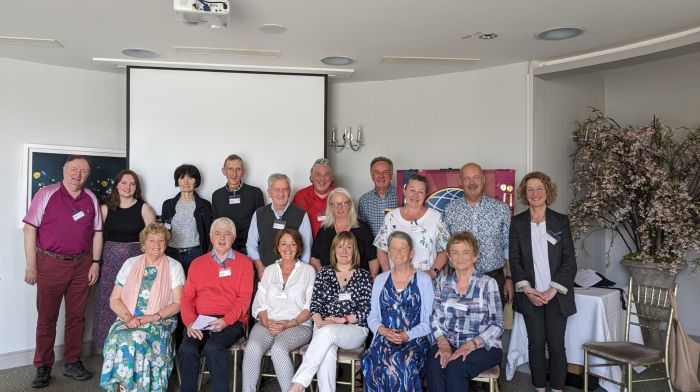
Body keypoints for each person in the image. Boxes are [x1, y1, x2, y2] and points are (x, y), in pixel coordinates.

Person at [23, 155, 102, 388]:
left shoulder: (90, 198)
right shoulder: (46, 194)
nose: (79, 175)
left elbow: (98, 232)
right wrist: (31, 265)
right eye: (74, 169)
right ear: (65, 170)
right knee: (47, 318)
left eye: (84, 171)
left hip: (82, 264)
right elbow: (29, 230)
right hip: (50, 263)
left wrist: (95, 262)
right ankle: (43, 365)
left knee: (77, 317)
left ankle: (72, 361)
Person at [509, 171, 577, 392]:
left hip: (555, 295)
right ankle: (539, 389)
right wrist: (528, 290)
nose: (535, 193)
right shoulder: (517, 223)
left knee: (556, 346)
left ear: (547, 191)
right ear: (524, 194)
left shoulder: (560, 221)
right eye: (530, 189)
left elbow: (569, 260)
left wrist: (552, 291)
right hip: (530, 294)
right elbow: (515, 259)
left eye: (539, 188)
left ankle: (557, 390)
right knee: (535, 344)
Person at [99, 223, 185, 392]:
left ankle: (138, 388)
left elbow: (178, 303)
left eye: (161, 240)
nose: (156, 245)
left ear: (166, 244)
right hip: (128, 318)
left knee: (137, 338)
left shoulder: (174, 267)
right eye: (152, 240)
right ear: (142, 245)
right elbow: (114, 299)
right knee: (116, 337)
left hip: (161, 320)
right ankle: (125, 387)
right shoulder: (130, 264)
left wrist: (152, 317)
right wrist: (128, 318)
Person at [289, 231, 372, 392]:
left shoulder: (363, 276)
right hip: (324, 326)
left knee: (327, 333)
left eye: (349, 247)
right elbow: (316, 304)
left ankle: (298, 384)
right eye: (340, 247)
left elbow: (366, 311)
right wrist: (319, 321)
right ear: (334, 250)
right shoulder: (324, 273)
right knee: (327, 353)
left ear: (354, 251)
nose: (344, 251)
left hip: (354, 330)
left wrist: (341, 320)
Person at [178, 217, 254, 392]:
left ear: (233, 238)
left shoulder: (244, 263)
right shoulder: (197, 264)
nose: (222, 238)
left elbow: (244, 300)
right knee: (187, 350)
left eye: (227, 234)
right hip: (199, 319)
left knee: (213, 347)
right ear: (211, 237)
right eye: (218, 234)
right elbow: (187, 298)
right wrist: (190, 322)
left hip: (232, 321)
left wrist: (226, 321)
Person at [426, 232, 503, 392]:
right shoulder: (443, 282)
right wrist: (442, 342)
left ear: (476, 256)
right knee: (435, 364)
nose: (460, 257)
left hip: (483, 346)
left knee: (455, 368)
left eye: (466, 252)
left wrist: (472, 344)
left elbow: (497, 325)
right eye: (455, 252)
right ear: (449, 256)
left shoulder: (488, 283)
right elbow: (435, 317)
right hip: (449, 341)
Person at [242, 229, 316, 392]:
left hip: (298, 324)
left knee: (278, 349)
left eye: (292, 244)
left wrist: (290, 323)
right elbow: (259, 304)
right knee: (252, 347)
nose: (288, 248)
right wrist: (267, 321)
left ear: (299, 247)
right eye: (284, 243)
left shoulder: (308, 271)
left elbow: (310, 306)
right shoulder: (269, 271)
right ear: (277, 246)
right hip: (267, 323)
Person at [361, 231, 434, 391]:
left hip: (415, 340)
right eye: (394, 249)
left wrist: (406, 335)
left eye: (403, 248)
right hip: (385, 338)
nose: (398, 253)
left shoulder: (423, 279)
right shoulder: (380, 279)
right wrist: (383, 331)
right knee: (372, 359)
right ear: (389, 253)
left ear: (411, 253)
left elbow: (430, 321)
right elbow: (372, 316)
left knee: (401, 362)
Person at [93, 169, 156, 352]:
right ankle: (107, 348)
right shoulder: (105, 209)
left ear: (136, 187)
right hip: (110, 262)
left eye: (132, 183)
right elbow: (97, 237)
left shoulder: (145, 208)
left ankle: (130, 348)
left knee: (133, 302)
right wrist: (95, 262)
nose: (127, 187)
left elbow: (152, 240)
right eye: (123, 183)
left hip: (136, 263)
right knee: (108, 302)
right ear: (116, 185)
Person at [443, 162, 514, 304]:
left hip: (495, 279)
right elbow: (446, 246)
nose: (472, 183)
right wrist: (445, 279)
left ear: (483, 179)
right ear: (460, 181)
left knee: (493, 322)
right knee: (459, 323)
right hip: (459, 280)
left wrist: (509, 279)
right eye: (467, 179)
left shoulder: (501, 209)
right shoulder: (450, 210)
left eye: (476, 178)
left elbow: (508, 247)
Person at [374, 174, 449, 276]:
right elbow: (381, 249)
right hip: (397, 281)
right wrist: (388, 274)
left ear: (426, 194)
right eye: (412, 190)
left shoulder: (436, 217)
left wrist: (433, 271)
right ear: (404, 191)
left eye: (420, 192)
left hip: (428, 282)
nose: (415, 195)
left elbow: (446, 249)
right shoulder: (391, 217)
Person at [247, 173, 312, 280]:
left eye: (285, 189)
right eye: (276, 190)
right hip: (265, 272)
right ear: (269, 192)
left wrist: (300, 273)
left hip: (293, 274)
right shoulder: (259, 214)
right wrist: (260, 268)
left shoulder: (301, 215)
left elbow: (306, 248)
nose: (281, 194)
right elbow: (251, 244)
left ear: (289, 191)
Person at [311, 187, 377, 277]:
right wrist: (324, 276)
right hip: (329, 284)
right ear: (330, 206)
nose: (339, 207)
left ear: (350, 204)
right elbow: (314, 258)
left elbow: (373, 259)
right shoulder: (324, 229)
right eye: (335, 204)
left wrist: (372, 278)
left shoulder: (363, 229)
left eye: (344, 203)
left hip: (358, 284)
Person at [161, 163, 213, 275]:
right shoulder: (168, 204)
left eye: (190, 178)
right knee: (174, 287)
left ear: (196, 181)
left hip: (195, 254)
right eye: (182, 178)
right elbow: (163, 230)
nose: (186, 181)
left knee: (194, 286)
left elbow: (209, 232)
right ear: (177, 181)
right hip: (171, 253)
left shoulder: (204, 205)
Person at [211, 154, 265, 254]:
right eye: (230, 169)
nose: (234, 173)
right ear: (224, 171)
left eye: (238, 169)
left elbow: (261, 223)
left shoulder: (255, 193)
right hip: (226, 247)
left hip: (250, 248)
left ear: (243, 171)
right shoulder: (217, 195)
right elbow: (216, 224)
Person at [292, 158, 336, 238]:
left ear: (332, 177)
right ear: (311, 176)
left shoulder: (341, 196)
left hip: (334, 248)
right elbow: (292, 226)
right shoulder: (300, 196)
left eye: (326, 174)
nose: (322, 179)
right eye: (318, 174)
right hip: (307, 247)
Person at [358, 157, 398, 238]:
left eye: (385, 172)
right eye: (377, 172)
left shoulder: (402, 196)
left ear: (391, 175)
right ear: (372, 176)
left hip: (396, 248)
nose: (381, 176)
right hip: (372, 249)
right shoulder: (364, 200)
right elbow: (362, 230)